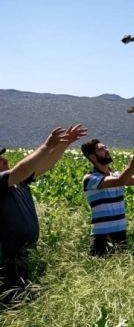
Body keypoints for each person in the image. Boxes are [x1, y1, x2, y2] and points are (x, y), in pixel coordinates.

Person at [0, 125, 87, 305]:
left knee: (24, 301)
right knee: (10, 303)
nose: (5, 159)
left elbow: (45, 165)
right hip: (8, 259)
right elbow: (20, 170)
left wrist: (65, 143)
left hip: (26, 255)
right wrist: (46, 145)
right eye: (0, 158)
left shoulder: (19, 183)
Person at [81, 139, 134, 256]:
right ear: (93, 157)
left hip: (120, 234)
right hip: (102, 237)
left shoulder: (115, 175)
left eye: (106, 147)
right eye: (101, 149)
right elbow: (120, 181)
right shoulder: (90, 178)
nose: (107, 150)